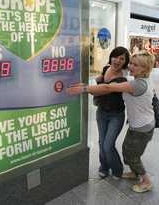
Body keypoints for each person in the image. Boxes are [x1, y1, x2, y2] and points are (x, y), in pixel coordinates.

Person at [66, 50, 155, 193]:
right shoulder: (135, 78)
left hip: (141, 127)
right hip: (135, 125)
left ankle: (146, 181)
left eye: (135, 65)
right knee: (125, 150)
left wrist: (83, 88)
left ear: (145, 69)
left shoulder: (136, 84)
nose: (131, 67)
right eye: (131, 63)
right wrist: (88, 84)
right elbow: (101, 82)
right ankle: (133, 172)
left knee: (130, 155)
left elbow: (108, 87)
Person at [93, 47, 130, 179]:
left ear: (125, 62)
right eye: (115, 56)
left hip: (116, 115)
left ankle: (117, 169)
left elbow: (103, 89)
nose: (117, 60)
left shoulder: (123, 79)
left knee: (108, 145)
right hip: (101, 112)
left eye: (122, 59)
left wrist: (88, 88)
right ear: (111, 57)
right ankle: (104, 166)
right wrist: (100, 79)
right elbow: (102, 81)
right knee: (101, 142)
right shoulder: (105, 68)